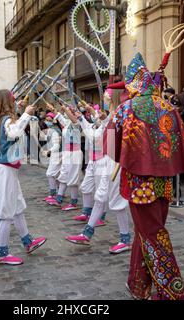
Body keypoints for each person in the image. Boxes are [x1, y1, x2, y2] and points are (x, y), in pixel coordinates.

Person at [106, 52, 184, 300]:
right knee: (146, 232)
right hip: (164, 182)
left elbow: (110, 141)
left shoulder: (126, 108)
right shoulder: (169, 108)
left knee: (152, 234)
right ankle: (138, 284)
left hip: (138, 183)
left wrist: (124, 157)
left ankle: (172, 292)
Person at [0, 90, 47, 266]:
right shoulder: (5, 121)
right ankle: (2, 253)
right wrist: (26, 115)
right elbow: (14, 132)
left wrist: (21, 111)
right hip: (4, 170)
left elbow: (11, 127)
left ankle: (27, 241)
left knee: (17, 207)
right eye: (12, 102)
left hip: (7, 169)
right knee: (6, 214)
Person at [65, 97, 131, 254]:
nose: (106, 102)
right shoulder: (113, 117)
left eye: (109, 99)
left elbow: (96, 138)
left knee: (117, 201)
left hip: (116, 162)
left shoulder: (120, 116)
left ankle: (125, 239)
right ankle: (87, 233)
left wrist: (82, 119)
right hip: (109, 160)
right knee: (100, 196)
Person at [45, 104, 83, 211]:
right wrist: (54, 109)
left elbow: (74, 120)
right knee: (64, 175)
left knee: (73, 178)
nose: (66, 115)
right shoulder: (67, 123)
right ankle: (59, 198)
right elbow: (60, 117)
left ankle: (73, 202)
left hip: (75, 153)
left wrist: (66, 109)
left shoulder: (78, 123)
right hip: (67, 152)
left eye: (69, 112)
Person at [40, 111, 62, 202]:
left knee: (50, 174)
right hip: (55, 155)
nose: (48, 121)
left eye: (50, 120)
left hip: (59, 155)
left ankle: (53, 194)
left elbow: (57, 145)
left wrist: (48, 151)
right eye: (46, 119)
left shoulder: (54, 131)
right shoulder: (50, 130)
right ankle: (60, 191)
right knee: (55, 175)